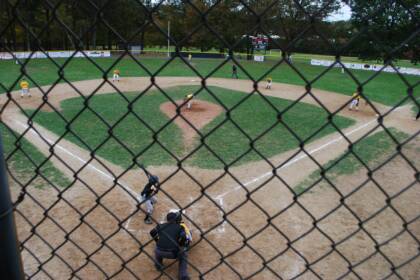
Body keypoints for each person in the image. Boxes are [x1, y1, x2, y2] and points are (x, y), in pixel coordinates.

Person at [150, 211, 191, 280]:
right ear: (176, 219)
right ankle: (183, 276)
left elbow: (152, 232)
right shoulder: (180, 227)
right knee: (184, 254)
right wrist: (181, 245)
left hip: (159, 251)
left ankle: (158, 265)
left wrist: (157, 240)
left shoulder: (160, 225)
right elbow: (183, 236)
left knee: (157, 247)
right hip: (173, 253)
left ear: (167, 219)